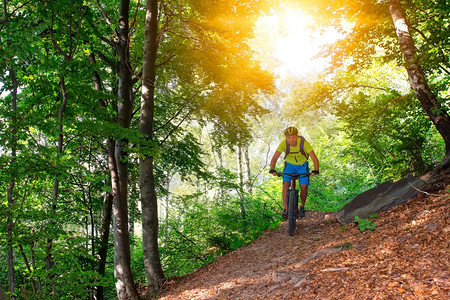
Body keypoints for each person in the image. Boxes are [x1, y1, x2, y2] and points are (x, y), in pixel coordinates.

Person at [269, 126, 319, 219]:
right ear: (286, 138)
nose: (291, 140)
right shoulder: (283, 144)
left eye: (293, 137)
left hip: (302, 166)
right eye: (288, 138)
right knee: (286, 184)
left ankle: (302, 207)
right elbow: (275, 157)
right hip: (289, 166)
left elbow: (314, 157)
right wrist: (272, 169)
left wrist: (316, 169)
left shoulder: (304, 143)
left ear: (297, 136)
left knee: (304, 186)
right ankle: (285, 209)